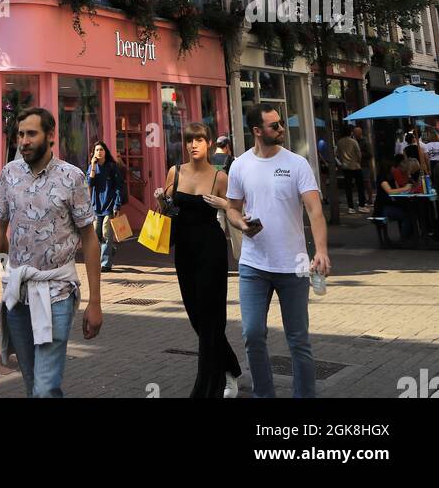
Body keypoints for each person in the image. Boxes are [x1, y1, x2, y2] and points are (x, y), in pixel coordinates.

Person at [0, 107, 102, 398]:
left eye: (31, 133)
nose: (24, 141)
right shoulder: (9, 174)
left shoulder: (72, 177)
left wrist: (95, 301)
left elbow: (90, 239)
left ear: (50, 136)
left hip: (57, 292)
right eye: (20, 134)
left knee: (44, 387)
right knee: (32, 382)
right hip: (18, 291)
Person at [219, 103, 330, 400]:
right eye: (274, 126)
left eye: (281, 124)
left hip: (292, 265)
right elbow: (232, 209)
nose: (281, 129)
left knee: (298, 340)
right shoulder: (240, 165)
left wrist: (320, 251)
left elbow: (314, 210)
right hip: (253, 266)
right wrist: (241, 224)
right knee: (253, 334)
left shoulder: (297, 164)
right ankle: (264, 394)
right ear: (257, 131)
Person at [158, 123, 242, 399]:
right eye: (190, 140)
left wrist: (226, 206)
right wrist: (162, 199)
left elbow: (234, 210)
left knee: (211, 317)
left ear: (208, 144)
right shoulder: (175, 172)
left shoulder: (220, 176)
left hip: (211, 250)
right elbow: (168, 211)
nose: (194, 144)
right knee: (196, 315)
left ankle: (207, 388)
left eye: (199, 139)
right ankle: (229, 367)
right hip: (184, 250)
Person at [86, 141, 125, 272]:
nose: (99, 152)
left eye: (101, 150)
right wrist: (92, 165)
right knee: (96, 235)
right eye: (97, 150)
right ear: (94, 153)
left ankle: (105, 264)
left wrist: (117, 205)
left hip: (109, 206)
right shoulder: (92, 167)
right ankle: (109, 249)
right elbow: (89, 183)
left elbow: (119, 186)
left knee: (106, 234)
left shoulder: (112, 167)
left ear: (105, 152)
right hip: (96, 206)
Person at [373, 160, 416, 243]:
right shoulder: (382, 178)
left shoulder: (391, 178)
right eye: (392, 167)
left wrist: (407, 187)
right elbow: (390, 191)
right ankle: (404, 238)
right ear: (388, 168)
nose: (394, 169)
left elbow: (397, 190)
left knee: (409, 211)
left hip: (392, 204)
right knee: (406, 216)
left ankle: (409, 236)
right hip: (383, 207)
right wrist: (405, 188)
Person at [335, 126, 370, 214]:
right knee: (360, 187)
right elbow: (358, 154)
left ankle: (350, 207)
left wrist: (342, 161)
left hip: (345, 167)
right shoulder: (353, 141)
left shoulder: (339, 142)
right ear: (350, 132)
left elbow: (337, 154)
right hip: (355, 166)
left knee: (348, 188)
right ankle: (361, 205)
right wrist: (358, 161)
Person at [353, 125, 374, 204]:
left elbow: (370, 154)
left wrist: (360, 154)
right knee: (360, 183)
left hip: (364, 165)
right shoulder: (354, 141)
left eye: (355, 132)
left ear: (359, 133)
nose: (354, 134)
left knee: (366, 182)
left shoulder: (365, 141)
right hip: (357, 165)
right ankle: (363, 198)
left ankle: (370, 198)